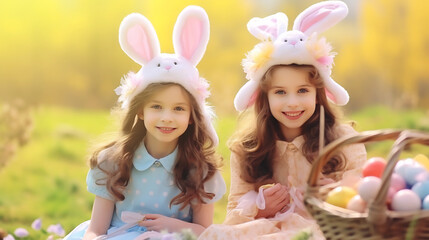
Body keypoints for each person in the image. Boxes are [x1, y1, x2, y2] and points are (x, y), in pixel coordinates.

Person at [199, 1, 366, 239]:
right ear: (263, 97)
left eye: (302, 91)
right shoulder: (248, 148)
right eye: (280, 92)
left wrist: (331, 193)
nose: (292, 103)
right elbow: (233, 214)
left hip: (324, 231)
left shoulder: (342, 142)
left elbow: (363, 201)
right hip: (267, 229)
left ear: (318, 94)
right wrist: (259, 207)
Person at [64, 5, 226, 240]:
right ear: (140, 109)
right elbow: (95, 230)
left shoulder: (201, 171)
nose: (167, 117)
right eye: (156, 107)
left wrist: (172, 225)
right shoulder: (113, 162)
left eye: (179, 109)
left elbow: (204, 232)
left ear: (192, 116)